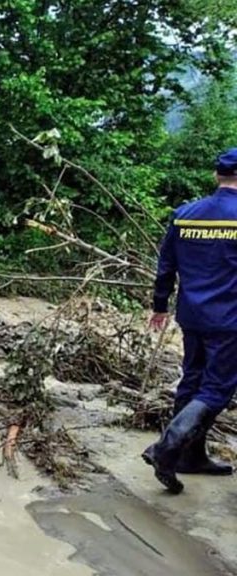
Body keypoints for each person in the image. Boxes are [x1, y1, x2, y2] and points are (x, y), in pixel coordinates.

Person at [142, 148, 237, 494]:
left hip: (192, 314)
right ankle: (167, 449)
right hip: (229, 319)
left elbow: (165, 266)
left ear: (217, 176)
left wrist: (159, 306)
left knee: (193, 379)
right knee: (216, 388)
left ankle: (191, 457)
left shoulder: (185, 214)